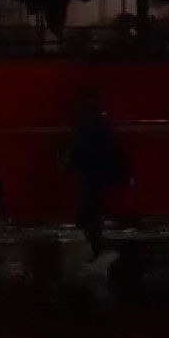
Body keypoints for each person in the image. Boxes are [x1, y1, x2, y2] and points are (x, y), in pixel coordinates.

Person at [63, 90, 129, 260]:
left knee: (90, 211)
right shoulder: (101, 127)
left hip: (93, 175)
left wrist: (71, 164)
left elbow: (80, 151)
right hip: (98, 175)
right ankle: (98, 247)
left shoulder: (86, 127)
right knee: (93, 211)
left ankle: (97, 247)